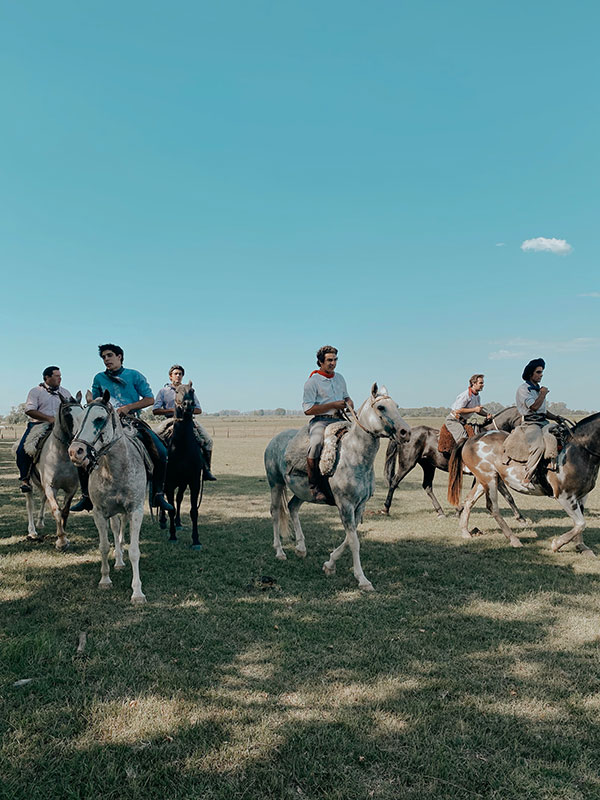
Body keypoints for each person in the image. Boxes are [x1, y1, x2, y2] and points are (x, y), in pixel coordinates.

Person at [71, 344, 173, 512]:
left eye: (109, 355)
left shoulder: (134, 375)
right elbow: (97, 402)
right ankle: (86, 497)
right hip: (106, 426)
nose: (106, 359)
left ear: (119, 357)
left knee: (161, 452)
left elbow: (149, 399)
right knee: (83, 449)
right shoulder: (98, 378)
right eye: (103, 357)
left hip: (132, 422)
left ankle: (158, 495)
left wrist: (128, 407)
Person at [302, 345, 354, 502]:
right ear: (320, 362)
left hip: (340, 418)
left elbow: (346, 397)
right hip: (321, 420)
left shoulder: (340, 378)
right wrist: (332, 405)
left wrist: (349, 402)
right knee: (316, 444)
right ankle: (314, 486)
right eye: (329, 360)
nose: (333, 363)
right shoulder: (312, 382)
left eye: (335, 360)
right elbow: (308, 409)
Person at [152, 364, 216, 481]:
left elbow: (198, 409)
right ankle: (154, 468)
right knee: (153, 438)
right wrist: (174, 410)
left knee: (208, 440)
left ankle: (206, 469)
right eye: (175, 374)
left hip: (189, 420)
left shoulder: (188, 390)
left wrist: (188, 410)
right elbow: (155, 410)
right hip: (171, 419)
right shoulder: (163, 391)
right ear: (170, 376)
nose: (178, 376)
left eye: (180, 374)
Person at [15, 366, 73, 492]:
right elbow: (29, 410)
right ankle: (25, 480)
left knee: (80, 446)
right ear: (47, 377)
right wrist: (49, 419)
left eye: (60, 376)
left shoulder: (65, 393)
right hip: (39, 425)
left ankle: (82, 483)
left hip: (61, 427)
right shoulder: (36, 391)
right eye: (57, 376)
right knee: (22, 450)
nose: (60, 378)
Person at [515, 358, 563, 488]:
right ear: (531, 373)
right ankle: (527, 477)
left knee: (562, 436)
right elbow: (534, 408)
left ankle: (553, 470)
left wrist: (557, 418)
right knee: (539, 446)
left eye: (542, 372)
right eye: (538, 372)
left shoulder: (537, 388)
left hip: (543, 421)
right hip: (531, 424)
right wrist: (542, 394)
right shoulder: (524, 389)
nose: (541, 375)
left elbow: (543, 411)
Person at [444, 374, 492, 444]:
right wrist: (474, 409)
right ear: (473, 383)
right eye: (481, 383)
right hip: (453, 421)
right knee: (463, 440)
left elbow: (478, 410)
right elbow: (458, 410)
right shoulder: (465, 395)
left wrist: (487, 415)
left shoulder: (477, 396)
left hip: (463, 422)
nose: (483, 385)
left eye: (483, 383)